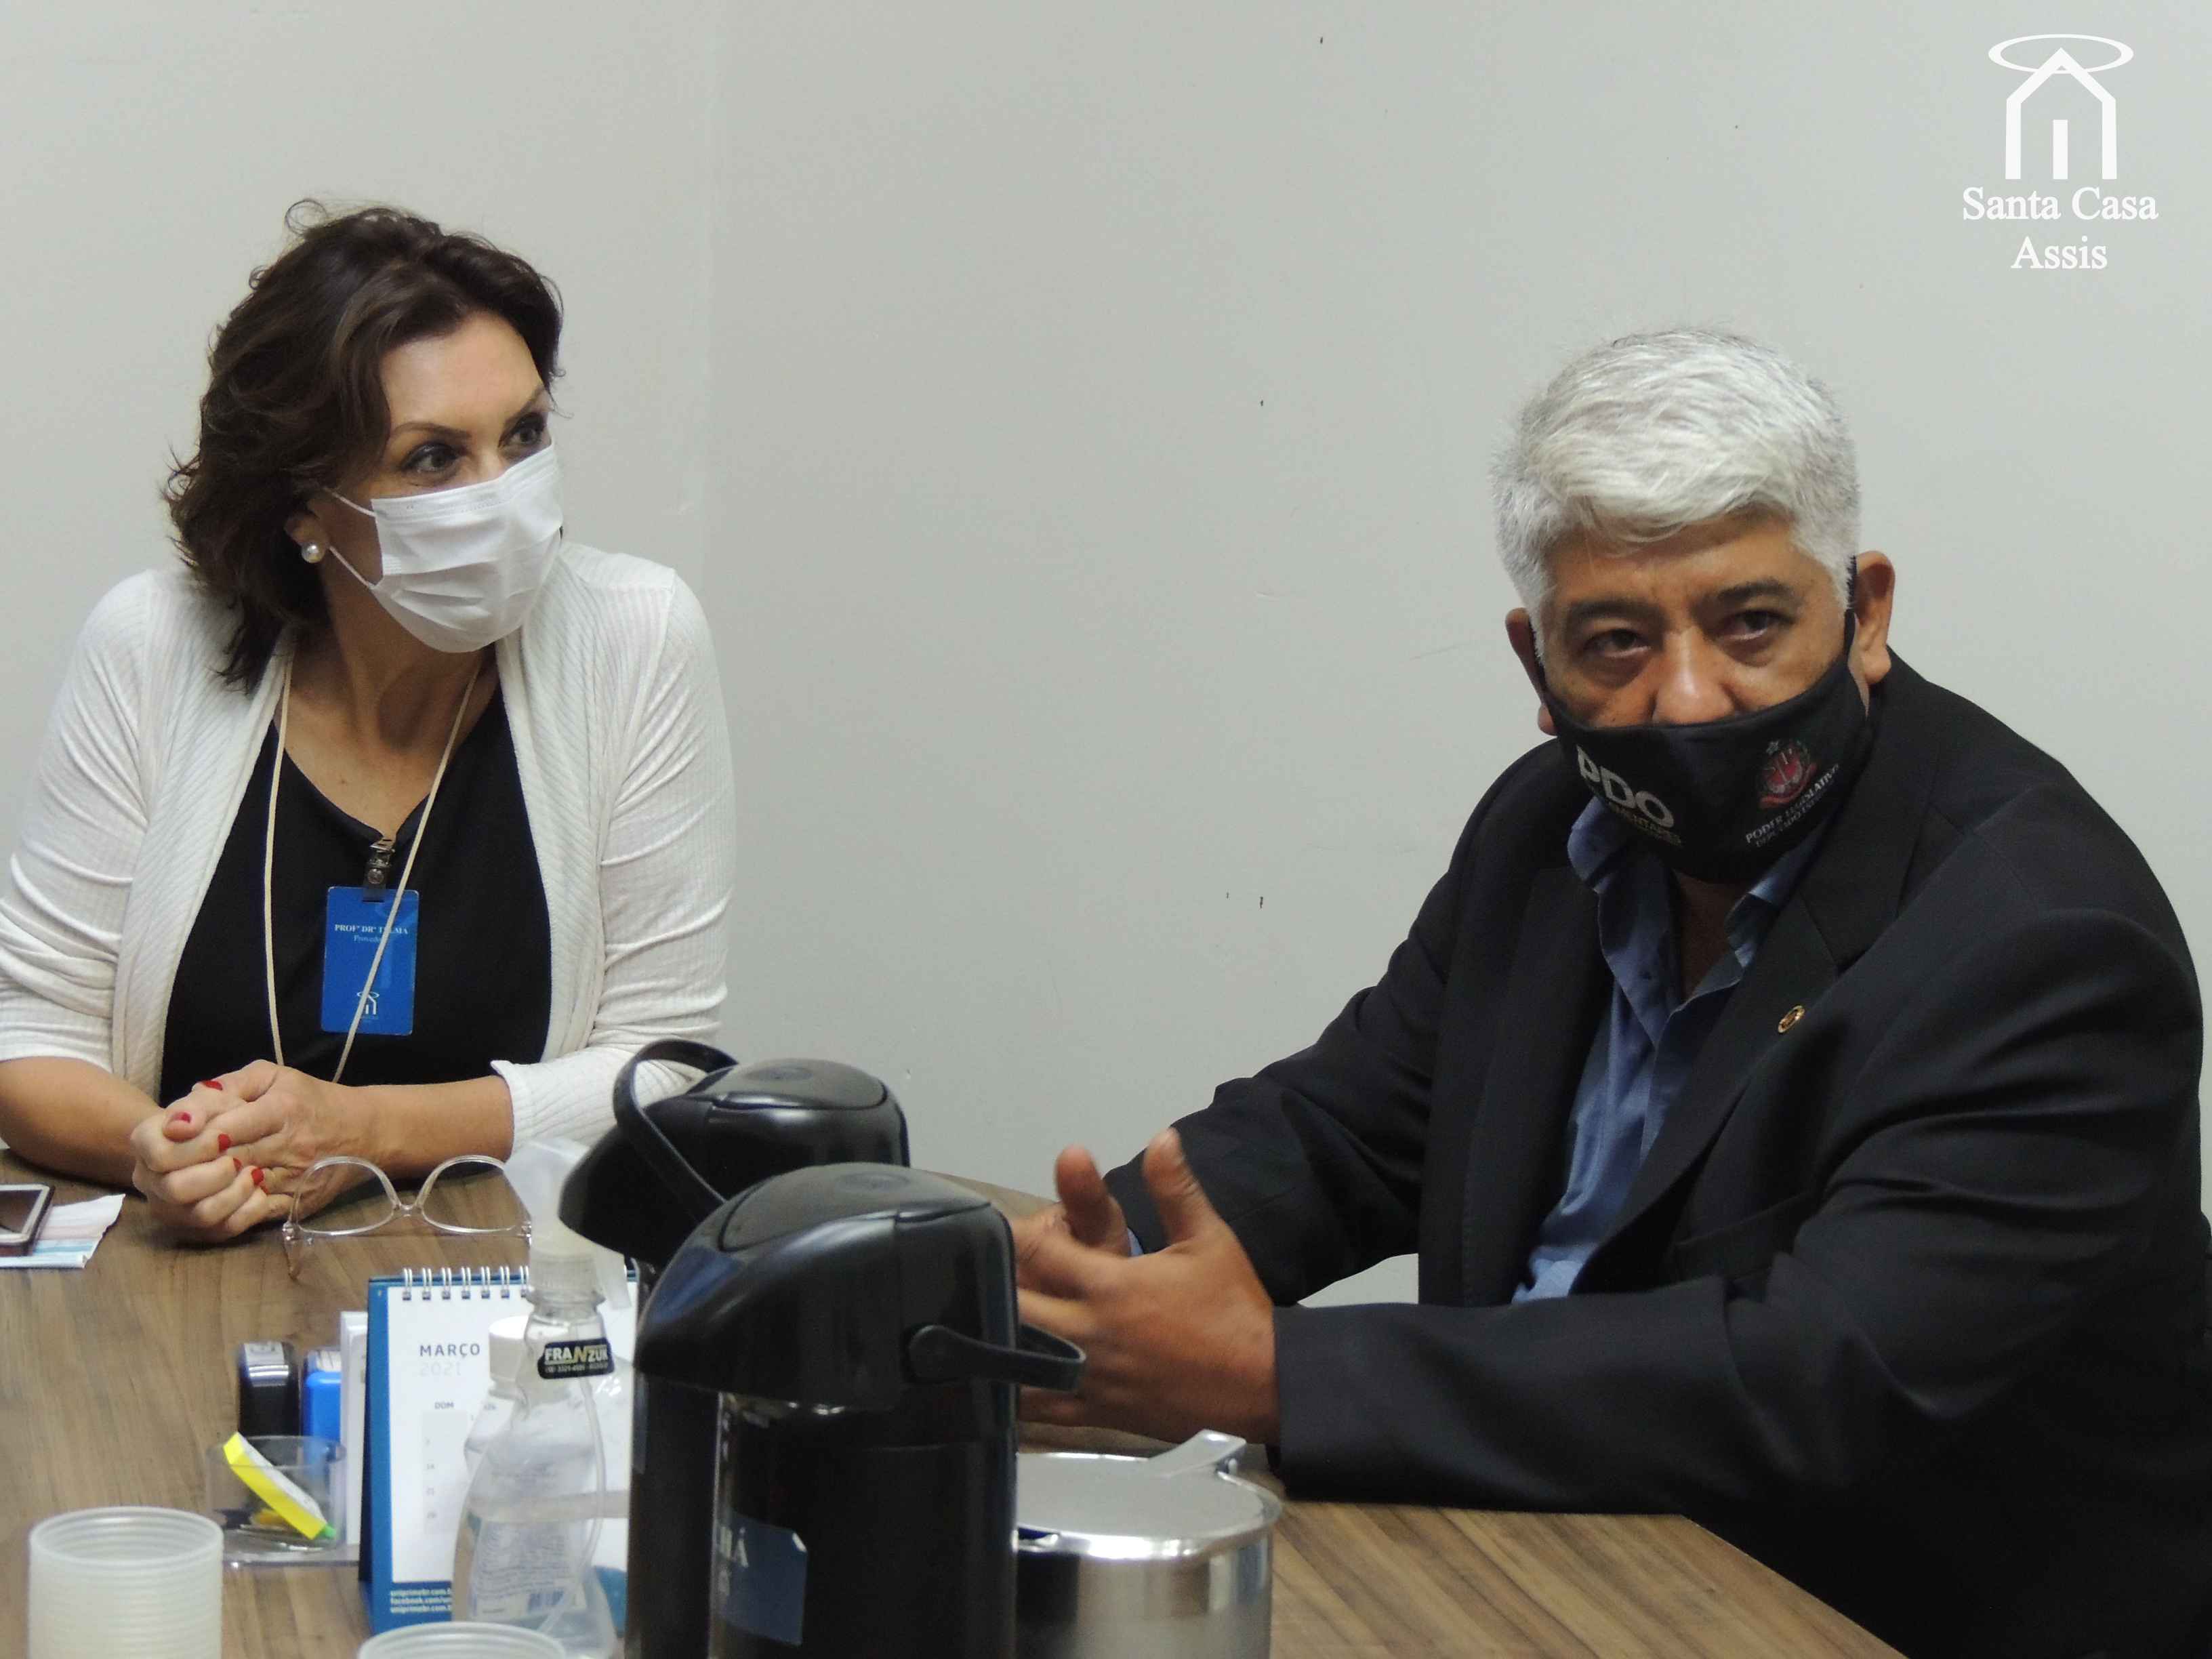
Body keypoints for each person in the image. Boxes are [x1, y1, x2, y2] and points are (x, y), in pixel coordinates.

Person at [1013, 329, 2212, 1658]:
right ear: (1538, 666)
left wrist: (1269, 1374)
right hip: (1543, 1566)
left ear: (1865, 614)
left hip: (1861, 1618)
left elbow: (1818, 1374)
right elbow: (1349, 1131)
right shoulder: (1549, 831)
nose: (1688, 702)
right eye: (1618, 642)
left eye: (1750, 623)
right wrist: (1067, 1290)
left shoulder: (2044, 940)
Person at [0, 205, 735, 1245]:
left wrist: (362, 1132)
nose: (505, 498)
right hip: (196, 1277)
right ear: (304, 507)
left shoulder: (634, 637)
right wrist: (162, 1152)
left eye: (523, 436)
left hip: (509, 1279)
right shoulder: (152, 644)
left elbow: (665, 1071)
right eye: (434, 458)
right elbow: (31, 1037)